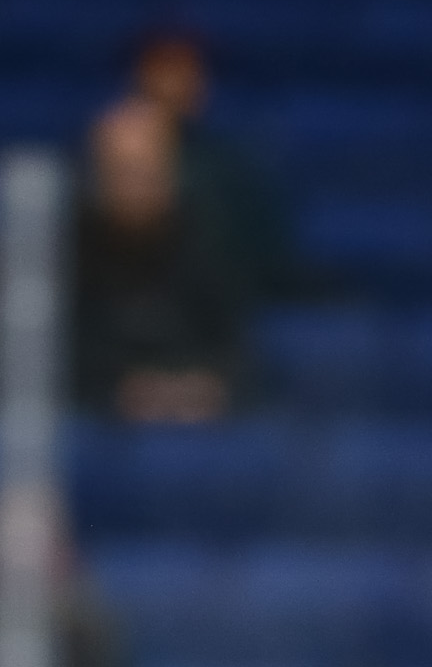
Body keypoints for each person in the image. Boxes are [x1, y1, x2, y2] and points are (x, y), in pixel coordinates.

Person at [73, 94, 243, 421]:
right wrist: (121, 387)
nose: (135, 186)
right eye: (122, 171)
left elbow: (235, 347)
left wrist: (201, 387)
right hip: (94, 420)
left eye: (146, 171)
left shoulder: (208, 242)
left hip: (202, 421)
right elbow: (63, 355)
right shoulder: (68, 250)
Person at [131, 29, 293, 299]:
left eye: (187, 71)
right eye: (164, 69)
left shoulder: (229, 170)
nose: (174, 84)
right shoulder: (96, 161)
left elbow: (264, 256)